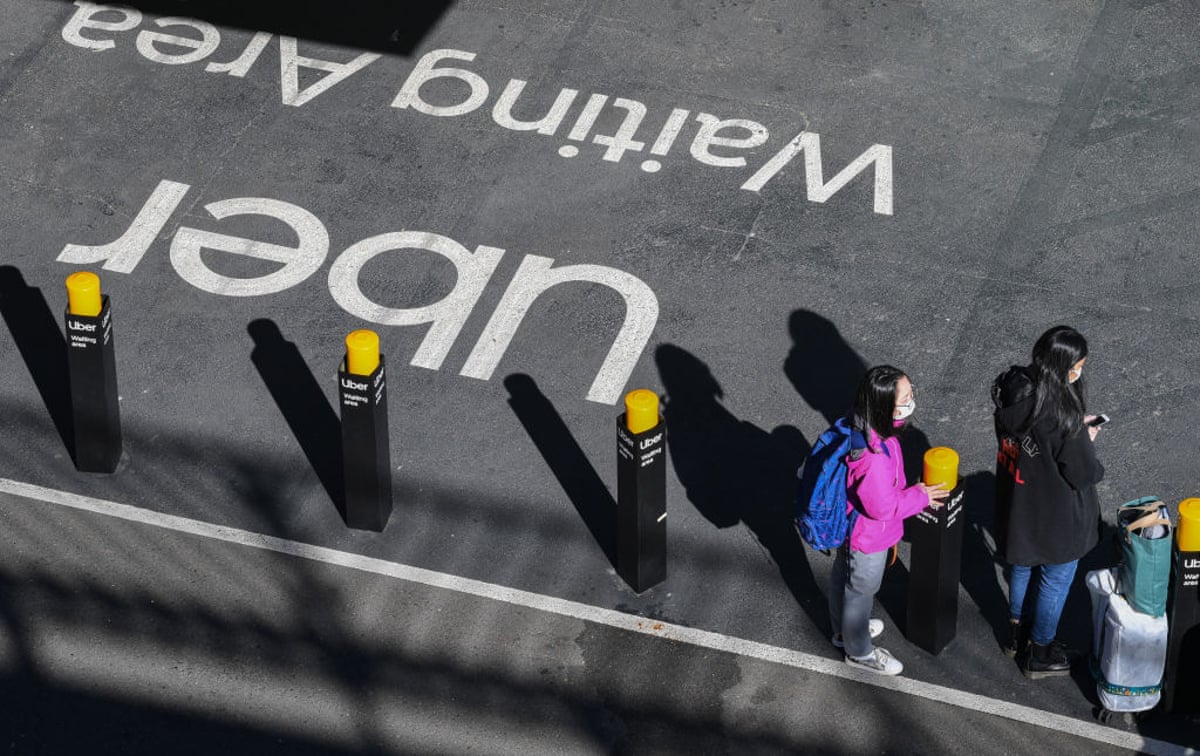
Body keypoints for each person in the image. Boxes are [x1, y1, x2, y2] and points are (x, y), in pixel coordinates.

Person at [992, 325, 1104, 679]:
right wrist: (1085, 437)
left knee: (1022, 566)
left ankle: (1015, 634)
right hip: (1056, 515)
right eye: (1078, 366)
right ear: (1065, 367)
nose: (1079, 372)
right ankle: (1040, 650)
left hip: (1021, 505)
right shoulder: (1063, 417)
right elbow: (1082, 473)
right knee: (1055, 579)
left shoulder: (1017, 390)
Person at [829, 365, 949, 675]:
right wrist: (921, 496)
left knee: (844, 577)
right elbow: (882, 508)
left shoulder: (862, 427)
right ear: (885, 406)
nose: (912, 401)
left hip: (850, 526)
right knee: (861, 591)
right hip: (868, 537)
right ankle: (859, 652)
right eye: (906, 397)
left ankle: (844, 631)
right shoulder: (874, 457)